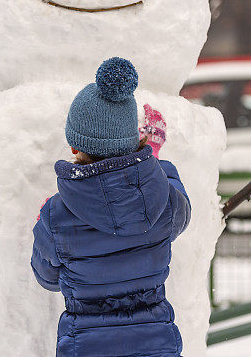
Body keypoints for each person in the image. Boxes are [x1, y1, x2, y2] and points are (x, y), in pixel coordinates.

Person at [31, 57, 191, 357]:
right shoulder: (164, 200)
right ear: (134, 142)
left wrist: (43, 225)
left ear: (75, 146)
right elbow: (183, 212)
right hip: (156, 346)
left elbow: (47, 278)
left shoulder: (55, 216)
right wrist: (153, 165)